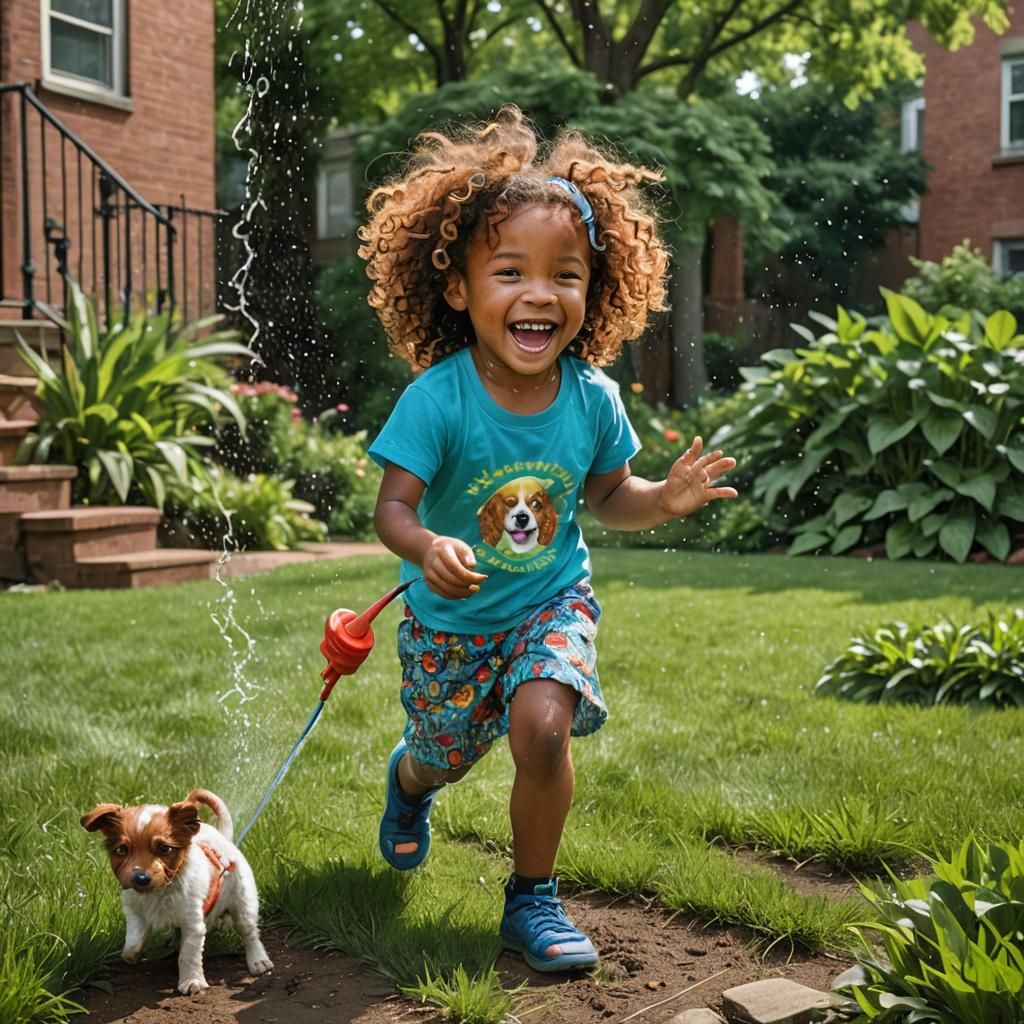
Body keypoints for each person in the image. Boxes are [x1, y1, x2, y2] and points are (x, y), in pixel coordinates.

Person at [360, 105, 737, 973]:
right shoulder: (438, 399)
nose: (541, 293)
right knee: (442, 757)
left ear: (592, 291)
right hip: (451, 624)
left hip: (548, 602)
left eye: (566, 274)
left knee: (541, 727)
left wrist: (663, 499)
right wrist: (424, 549)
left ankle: (532, 899)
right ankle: (409, 781)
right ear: (459, 288)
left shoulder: (593, 397)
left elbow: (609, 498)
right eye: (510, 271)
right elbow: (393, 510)